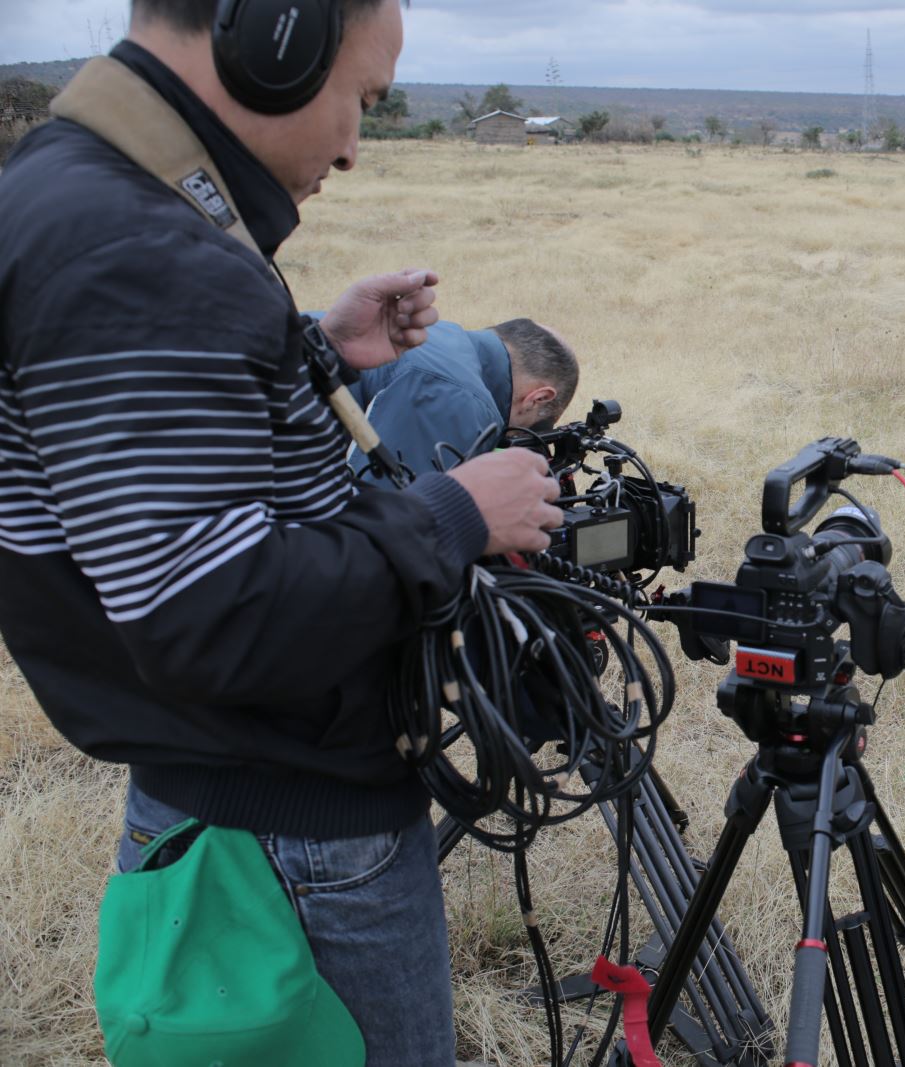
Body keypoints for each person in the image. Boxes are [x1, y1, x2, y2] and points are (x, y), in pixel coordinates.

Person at [0, 1, 561, 1062]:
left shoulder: (91, 192)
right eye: (361, 98)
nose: (352, 145)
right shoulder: (134, 247)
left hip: (224, 803)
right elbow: (212, 615)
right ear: (277, 37)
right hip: (290, 838)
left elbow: (162, 469)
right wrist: (456, 514)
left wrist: (317, 351)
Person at [345, 316, 579, 483]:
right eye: (535, 428)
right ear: (538, 398)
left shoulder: (440, 335)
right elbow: (389, 515)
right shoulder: (460, 396)